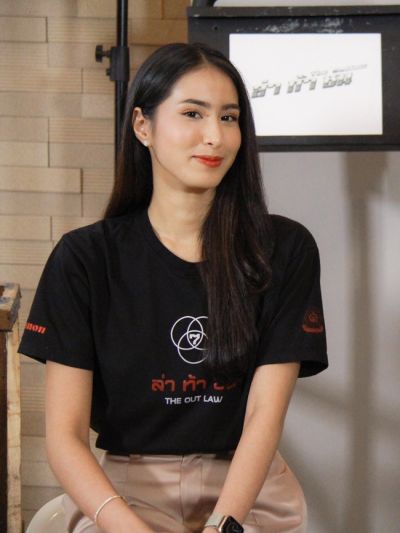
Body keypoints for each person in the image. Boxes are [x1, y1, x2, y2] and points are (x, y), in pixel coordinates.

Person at [19, 42, 327, 533]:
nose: (215, 136)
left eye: (229, 118)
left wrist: (224, 524)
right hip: (125, 495)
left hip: (246, 494)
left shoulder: (284, 249)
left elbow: (264, 417)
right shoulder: (85, 258)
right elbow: (65, 436)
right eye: (192, 114)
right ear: (143, 126)